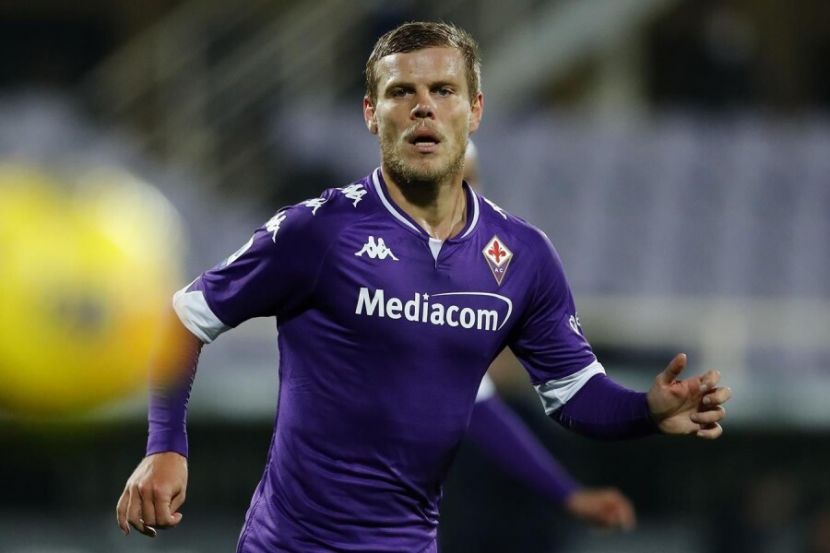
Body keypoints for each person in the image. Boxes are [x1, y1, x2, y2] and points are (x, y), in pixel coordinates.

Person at [116, 21, 730, 553]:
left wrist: (644, 411)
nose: (423, 108)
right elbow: (184, 316)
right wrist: (165, 446)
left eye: (443, 90)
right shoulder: (317, 232)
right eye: (400, 92)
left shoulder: (524, 256)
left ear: (476, 109)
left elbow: (574, 395)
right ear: (370, 113)